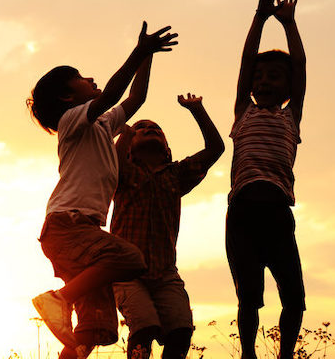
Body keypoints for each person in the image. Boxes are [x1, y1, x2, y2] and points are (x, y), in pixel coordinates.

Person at [28, 22, 178, 359]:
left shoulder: (99, 125)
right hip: (69, 227)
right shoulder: (71, 122)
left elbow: (134, 98)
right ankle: (59, 299)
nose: (91, 80)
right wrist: (138, 50)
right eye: (82, 78)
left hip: (80, 234)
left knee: (93, 330)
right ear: (68, 97)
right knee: (129, 258)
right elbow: (112, 94)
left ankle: (70, 332)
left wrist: (148, 57)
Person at [226, 0, 307, 359]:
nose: (263, 81)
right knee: (249, 297)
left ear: (289, 87)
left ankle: (286, 354)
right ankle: (247, 354)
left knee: (295, 297)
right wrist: (259, 17)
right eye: (260, 78)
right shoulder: (244, 112)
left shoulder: (292, 117)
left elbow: (301, 65)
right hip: (243, 211)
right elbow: (245, 63)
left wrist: (289, 24)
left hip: (277, 212)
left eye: (274, 76)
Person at [111, 93, 225, 359]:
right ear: (128, 147)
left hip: (165, 274)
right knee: (144, 326)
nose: (149, 129)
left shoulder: (176, 175)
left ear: (167, 148)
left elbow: (215, 149)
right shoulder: (124, 173)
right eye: (140, 129)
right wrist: (124, 133)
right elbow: (113, 162)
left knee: (181, 329)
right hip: (127, 272)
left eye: (157, 130)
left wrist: (197, 110)